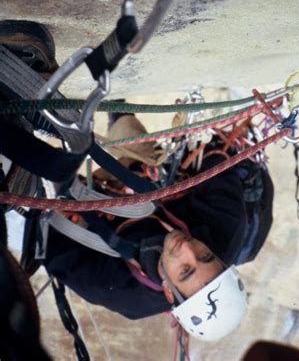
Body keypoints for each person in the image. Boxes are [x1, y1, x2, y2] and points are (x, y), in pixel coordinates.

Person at [0, 20, 274, 342]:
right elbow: (216, 161)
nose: (188, 249)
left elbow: (51, 249)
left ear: (171, 296)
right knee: (139, 153)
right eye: (205, 257)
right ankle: (118, 115)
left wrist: (54, 198)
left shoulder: (125, 294)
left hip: (89, 219)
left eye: (186, 270)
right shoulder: (227, 228)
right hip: (159, 190)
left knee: (17, 208)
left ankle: (23, 116)